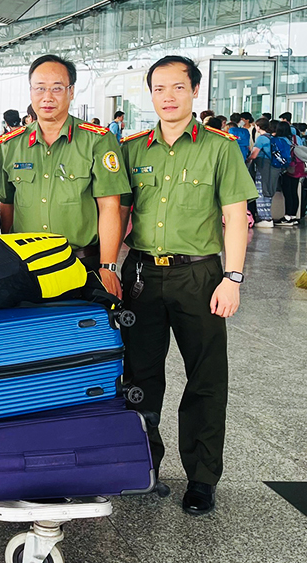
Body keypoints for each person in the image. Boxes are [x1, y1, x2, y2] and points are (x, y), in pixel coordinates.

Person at [118, 55, 257, 516]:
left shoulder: (220, 147)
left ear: (195, 91)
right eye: (159, 89)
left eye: (177, 87)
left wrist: (232, 278)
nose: (168, 97)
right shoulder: (133, 147)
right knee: (140, 376)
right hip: (140, 275)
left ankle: (201, 478)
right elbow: (117, 213)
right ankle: (144, 466)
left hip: (200, 274)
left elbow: (236, 217)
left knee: (206, 377)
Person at [0, 54, 130, 299]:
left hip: (82, 265)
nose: (47, 97)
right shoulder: (10, 145)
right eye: (40, 88)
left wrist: (108, 267)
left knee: (81, 335)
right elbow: (7, 205)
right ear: (31, 91)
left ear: (71, 91)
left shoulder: (96, 140)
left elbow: (110, 207)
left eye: (57, 88)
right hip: (27, 268)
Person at [248, 118, 279, 228]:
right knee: (268, 190)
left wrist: (247, 159)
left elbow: (254, 155)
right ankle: (268, 217)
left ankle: (265, 218)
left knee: (261, 191)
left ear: (258, 126)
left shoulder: (261, 138)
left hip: (263, 167)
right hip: (272, 167)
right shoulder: (272, 137)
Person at [274, 120, 299, 226]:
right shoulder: (295, 138)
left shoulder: (279, 140)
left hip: (286, 168)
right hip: (297, 167)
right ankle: (293, 216)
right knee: (294, 191)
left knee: (287, 192)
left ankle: (287, 216)